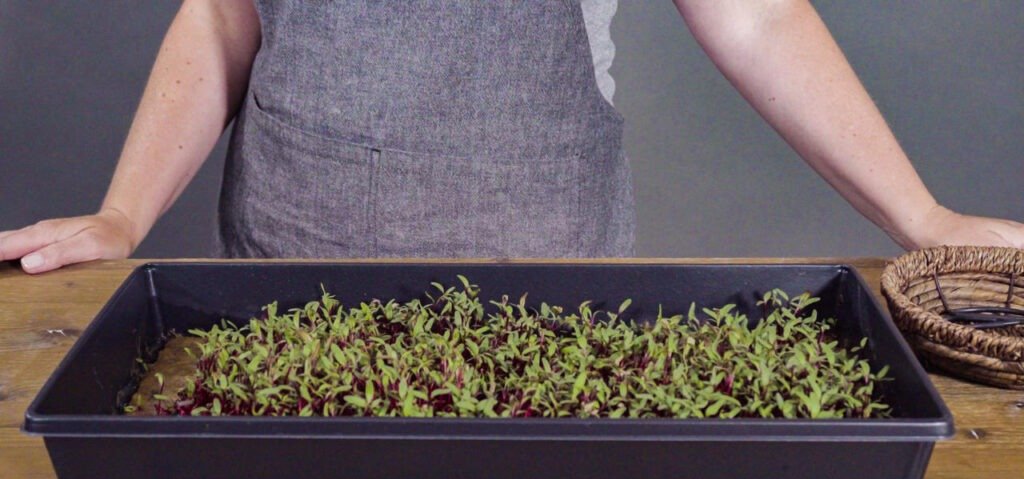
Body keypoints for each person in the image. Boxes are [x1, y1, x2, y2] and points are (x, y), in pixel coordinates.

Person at [2, 0, 1022, 274]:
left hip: (544, 274)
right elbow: (224, 14)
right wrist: (122, 213)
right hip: (291, 262)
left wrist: (921, 216)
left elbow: (755, 16)